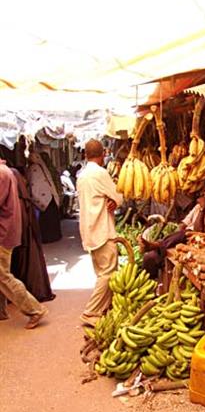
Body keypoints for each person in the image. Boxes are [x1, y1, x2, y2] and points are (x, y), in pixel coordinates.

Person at [141, 178, 205, 278]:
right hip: (183, 241)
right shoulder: (199, 206)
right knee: (149, 257)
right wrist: (173, 239)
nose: (204, 193)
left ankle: (157, 245)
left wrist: (202, 209)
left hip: (201, 247)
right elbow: (183, 224)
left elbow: (198, 233)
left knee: (185, 233)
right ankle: (152, 282)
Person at [77, 139, 123, 326]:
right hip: (101, 230)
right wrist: (115, 201)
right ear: (103, 154)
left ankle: (103, 309)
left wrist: (110, 200)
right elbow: (118, 194)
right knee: (108, 273)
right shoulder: (100, 173)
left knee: (101, 273)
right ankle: (90, 312)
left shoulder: (82, 175)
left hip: (89, 231)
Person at [0, 159, 49, 329]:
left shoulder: (1, 173)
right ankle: (2, 312)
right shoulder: (7, 171)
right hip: (8, 231)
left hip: (3, 233)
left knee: (3, 276)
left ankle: (34, 309)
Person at [10, 165, 55, 302]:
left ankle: (32, 308)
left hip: (13, 237)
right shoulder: (24, 201)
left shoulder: (18, 200)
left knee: (4, 276)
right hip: (21, 236)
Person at [26, 149, 62, 243]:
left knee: (46, 221)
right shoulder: (43, 167)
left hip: (44, 200)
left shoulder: (34, 168)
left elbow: (33, 185)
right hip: (49, 198)